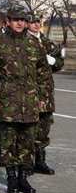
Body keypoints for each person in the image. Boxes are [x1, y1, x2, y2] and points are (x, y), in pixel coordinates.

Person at [0, 6, 51, 193]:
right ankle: (12, 178)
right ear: (7, 21)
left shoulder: (34, 44)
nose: (19, 23)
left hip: (30, 101)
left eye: (22, 19)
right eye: (15, 19)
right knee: (8, 141)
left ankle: (23, 178)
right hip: (7, 101)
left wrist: (43, 98)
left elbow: (43, 74)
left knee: (27, 142)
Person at [26, 11, 64, 175]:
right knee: (27, 128)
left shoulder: (47, 42)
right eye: (33, 21)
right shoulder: (22, 41)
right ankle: (26, 162)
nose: (36, 24)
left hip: (45, 92)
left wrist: (53, 61)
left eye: (38, 21)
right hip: (27, 91)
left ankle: (40, 160)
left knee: (44, 128)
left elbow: (60, 63)